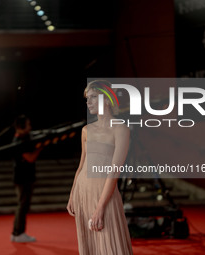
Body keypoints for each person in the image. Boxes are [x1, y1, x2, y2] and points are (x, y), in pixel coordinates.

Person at [67, 80, 133, 254]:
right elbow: (81, 165)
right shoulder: (86, 130)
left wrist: (100, 207)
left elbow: (114, 172)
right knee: (91, 246)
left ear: (107, 99)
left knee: (112, 245)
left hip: (105, 194)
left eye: (93, 97)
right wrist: (73, 193)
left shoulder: (121, 130)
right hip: (83, 192)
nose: (88, 103)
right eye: (87, 99)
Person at [11, 115, 42, 243]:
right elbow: (30, 158)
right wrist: (40, 147)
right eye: (28, 125)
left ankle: (17, 232)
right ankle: (18, 232)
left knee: (23, 205)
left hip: (25, 176)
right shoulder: (18, 142)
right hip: (22, 177)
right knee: (22, 205)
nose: (30, 128)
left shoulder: (23, 139)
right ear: (21, 127)